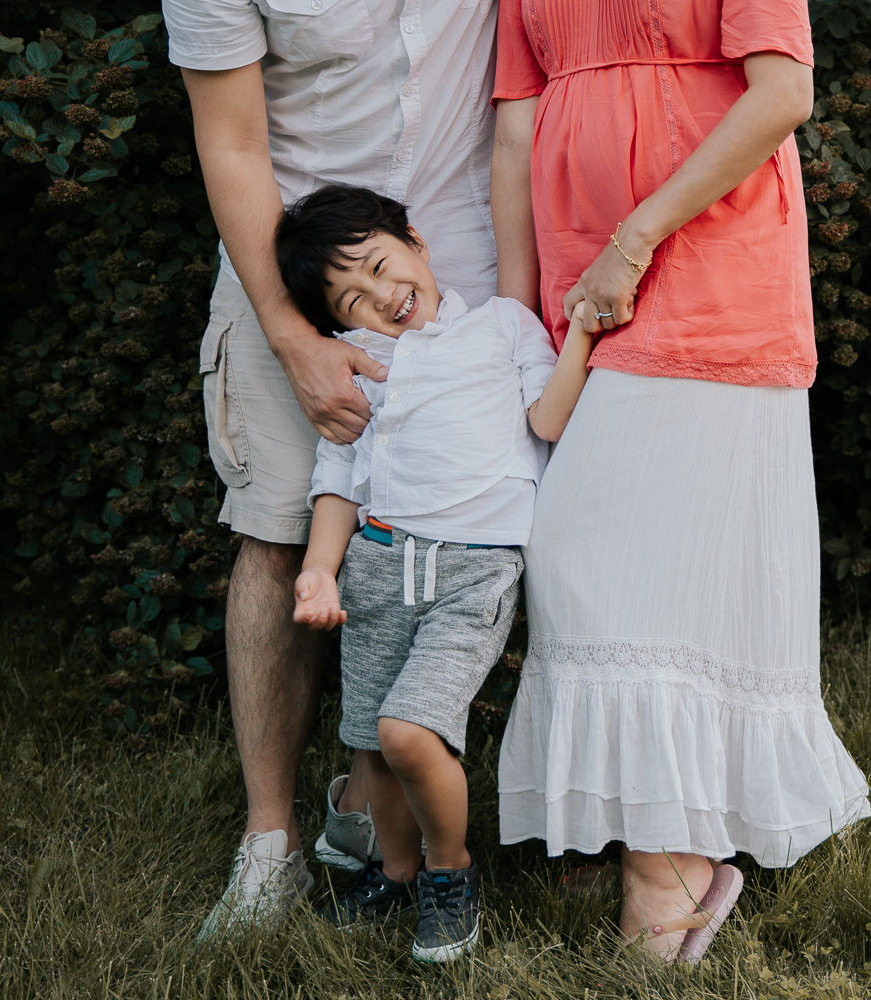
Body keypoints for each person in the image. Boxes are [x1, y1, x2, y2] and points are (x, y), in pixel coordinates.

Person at [490, 0, 871, 963]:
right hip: (582, 283)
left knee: (625, 569)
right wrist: (506, 323)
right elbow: (513, 127)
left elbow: (784, 93)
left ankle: (670, 869)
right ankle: (668, 845)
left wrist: (637, 236)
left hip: (707, 263)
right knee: (582, 565)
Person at [161, 1, 500, 939]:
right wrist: (294, 335)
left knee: (504, 529)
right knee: (278, 538)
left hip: (458, 257)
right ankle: (269, 847)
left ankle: (505, 819)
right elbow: (230, 145)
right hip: (291, 268)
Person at [275, 184, 592, 961]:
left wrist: (582, 331)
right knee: (373, 747)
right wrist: (319, 572)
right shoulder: (364, 364)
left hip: (475, 572)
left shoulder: (500, 326)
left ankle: (451, 874)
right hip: (380, 566)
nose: (383, 297)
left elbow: (547, 420)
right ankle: (397, 870)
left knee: (407, 732)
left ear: (415, 241)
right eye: (353, 299)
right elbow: (340, 478)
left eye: (383, 267)